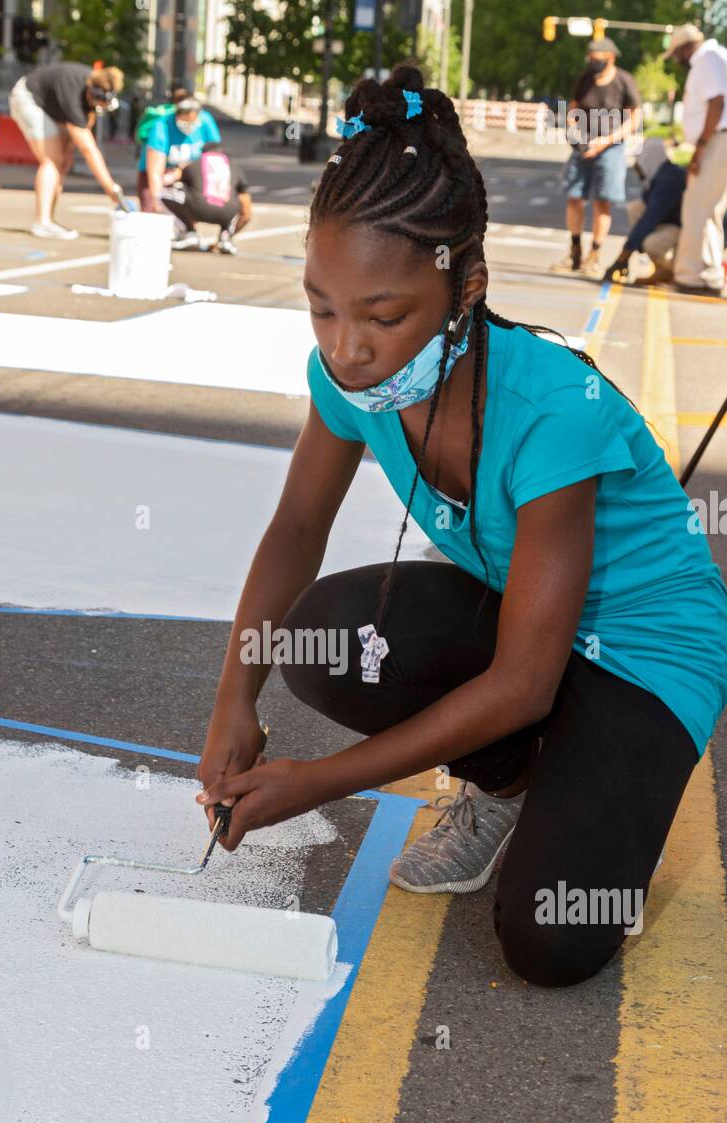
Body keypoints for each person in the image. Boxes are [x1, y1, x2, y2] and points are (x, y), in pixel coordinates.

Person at [194, 64, 727, 990]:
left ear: (465, 285)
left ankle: (602, 801)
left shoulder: (555, 408)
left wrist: (314, 781)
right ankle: (514, 788)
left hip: (645, 650)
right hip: (528, 620)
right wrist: (234, 698)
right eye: (321, 307)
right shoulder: (348, 380)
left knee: (550, 941)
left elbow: (522, 682)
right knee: (321, 634)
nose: (346, 348)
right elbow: (295, 527)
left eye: (384, 316)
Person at [552, 37, 642, 278]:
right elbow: (573, 108)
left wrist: (605, 141)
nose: (593, 63)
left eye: (597, 59)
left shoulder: (624, 81)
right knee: (574, 197)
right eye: (591, 59)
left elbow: (634, 119)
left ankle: (594, 256)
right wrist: (573, 128)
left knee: (603, 201)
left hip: (610, 148)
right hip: (582, 147)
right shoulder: (585, 79)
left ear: (610, 58)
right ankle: (575, 253)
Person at [8, 62, 126, 239]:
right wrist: (110, 187)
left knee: (62, 162)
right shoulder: (73, 92)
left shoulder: (91, 94)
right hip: (28, 98)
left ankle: (49, 219)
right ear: (91, 93)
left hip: (51, 107)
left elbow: (81, 131)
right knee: (52, 161)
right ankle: (42, 222)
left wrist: (67, 156)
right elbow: (88, 149)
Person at [665, 23, 727, 297]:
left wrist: (700, 148)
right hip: (717, 138)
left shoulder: (707, 60)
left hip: (716, 140)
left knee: (697, 207)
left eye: (676, 54)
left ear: (684, 48)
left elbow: (717, 102)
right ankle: (709, 274)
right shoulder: (716, 57)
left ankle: (693, 275)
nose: (677, 60)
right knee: (709, 208)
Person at [603, 138, 685, 285]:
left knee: (651, 243)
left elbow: (650, 218)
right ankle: (661, 269)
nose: (637, 165)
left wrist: (624, 255)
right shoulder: (660, 174)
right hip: (671, 222)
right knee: (635, 207)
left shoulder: (670, 179)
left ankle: (672, 268)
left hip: (683, 229)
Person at [161, 141, 252, 252]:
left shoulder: (193, 164)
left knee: (160, 193)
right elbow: (246, 209)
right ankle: (226, 237)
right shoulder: (234, 168)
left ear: (203, 152)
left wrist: (178, 171)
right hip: (227, 212)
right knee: (234, 199)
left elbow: (170, 181)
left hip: (199, 207)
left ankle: (188, 232)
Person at [137, 94, 221, 214]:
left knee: (189, 214)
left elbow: (214, 154)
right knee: (151, 210)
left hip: (187, 173)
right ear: (177, 116)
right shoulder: (162, 126)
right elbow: (155, 171)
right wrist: (156, 200)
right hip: (158, 174)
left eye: (192, 122)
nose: (188, 126)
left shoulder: (205, 121)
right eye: (184, 121)